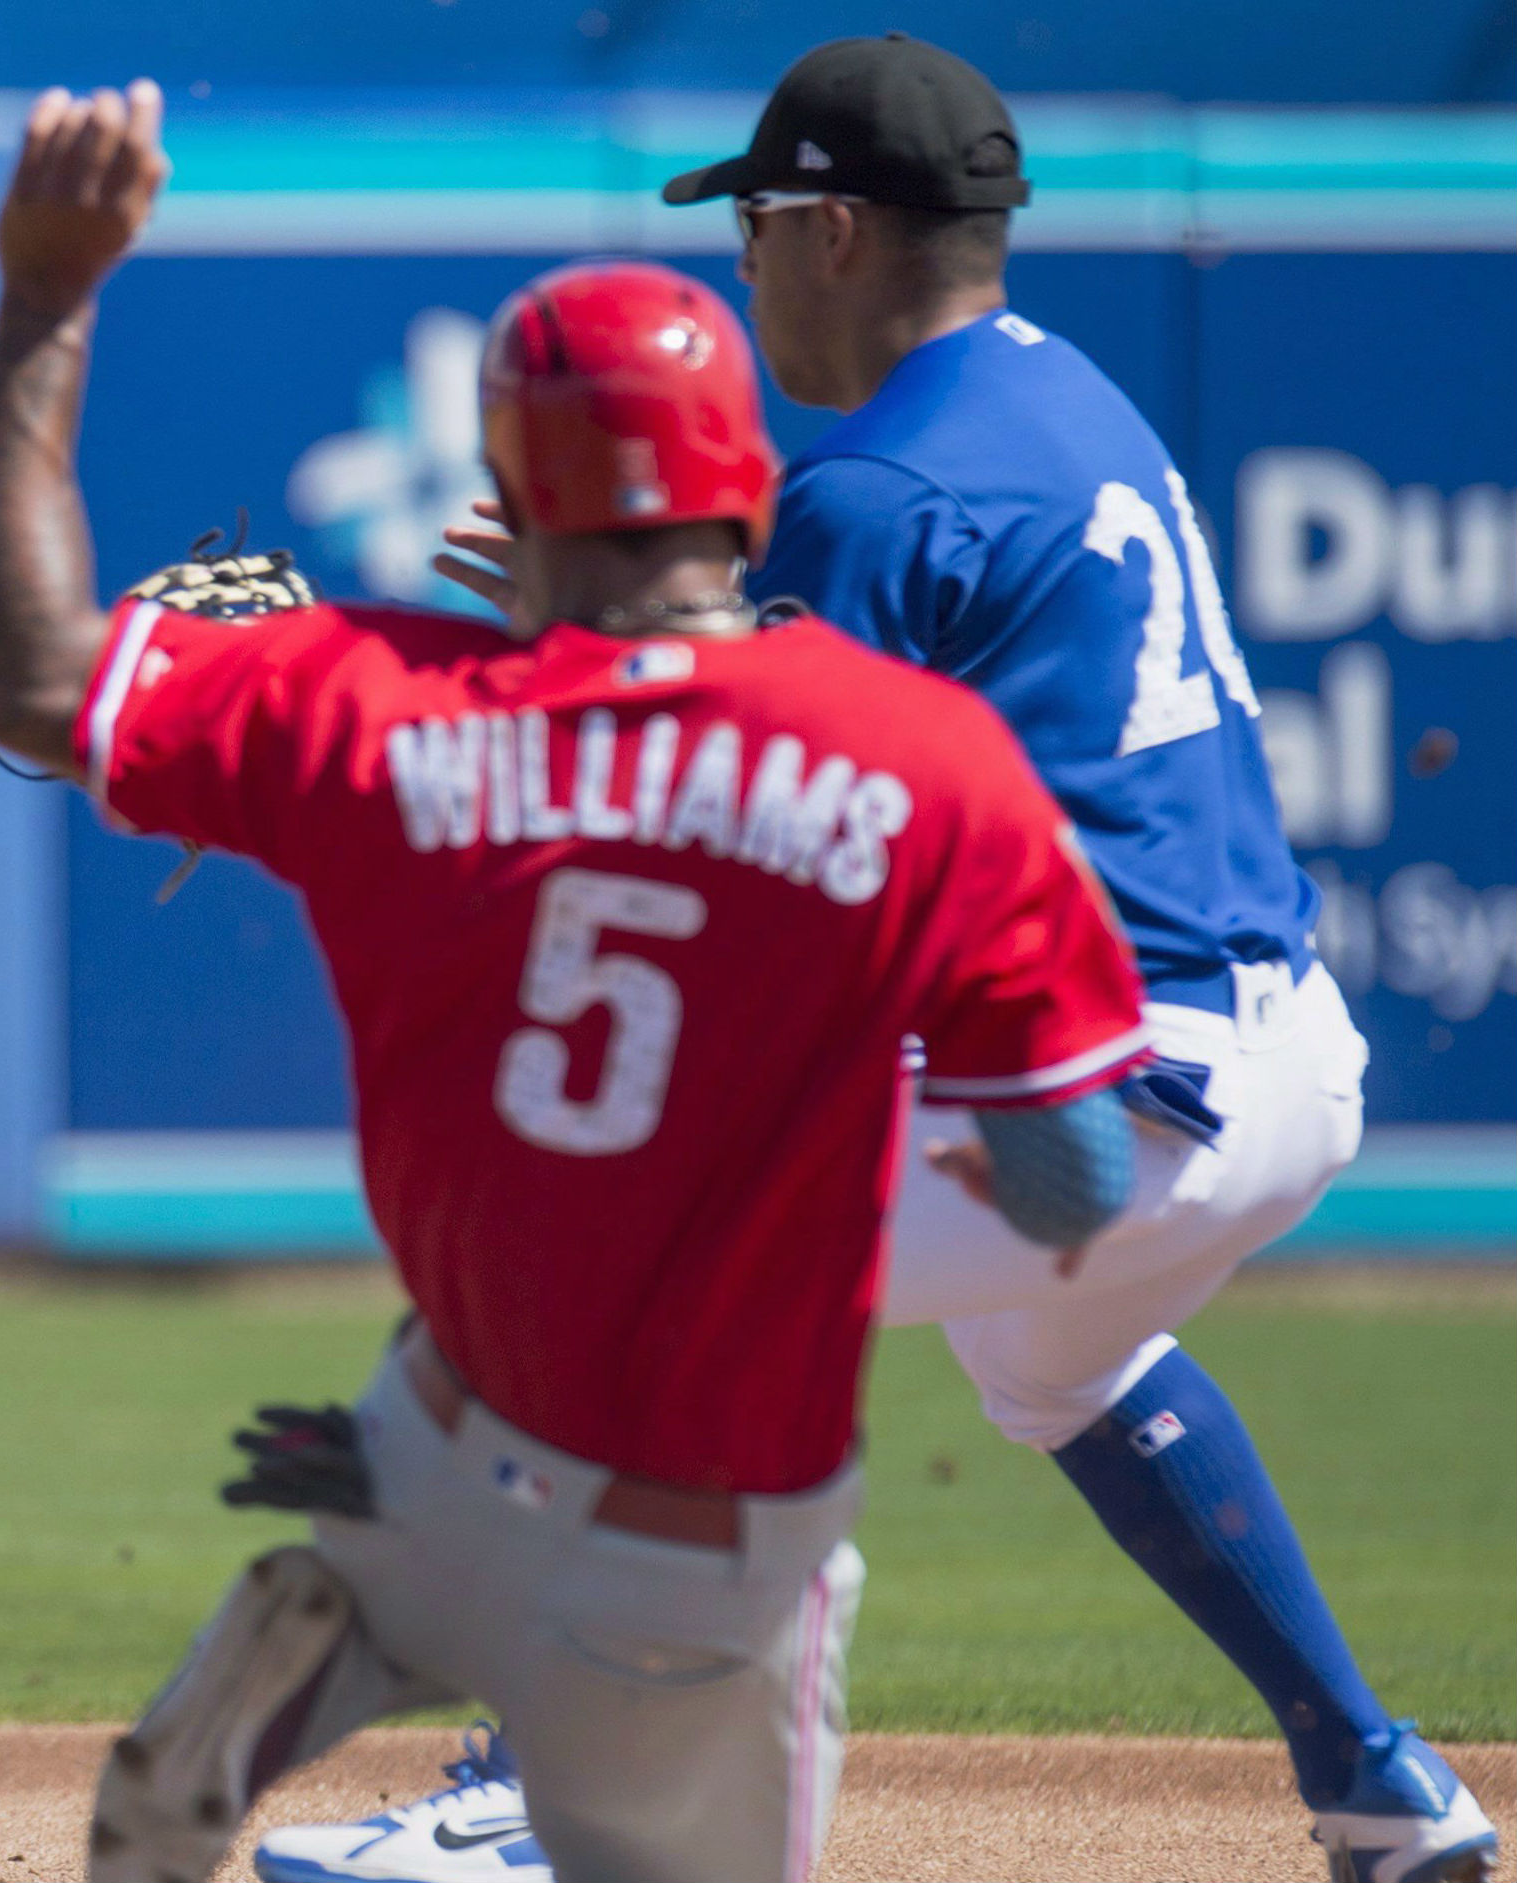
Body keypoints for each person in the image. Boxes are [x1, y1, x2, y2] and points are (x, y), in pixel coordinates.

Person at [257, 37, 1497, 1883]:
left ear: (830, 228)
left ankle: (545, 1778)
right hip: (1280, 1057)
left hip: (1127, 1074)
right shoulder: (1062, 401)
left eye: (753, 229)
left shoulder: (881, 495)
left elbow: (726, 830)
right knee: (1055, 1362)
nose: (742, 274)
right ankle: (1379, 1778)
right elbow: (784, 701)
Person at [0, 84, 1152, 1883]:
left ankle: (346, 1619)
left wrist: (44, 295)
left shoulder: (376, 700)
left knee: (412, 1478)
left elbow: (13, 670)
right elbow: (1077, 1179)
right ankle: (368, 1621)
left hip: (427, 1454)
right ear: (744, 482)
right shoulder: (928, 763)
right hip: (699, 1558)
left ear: (513, 490)